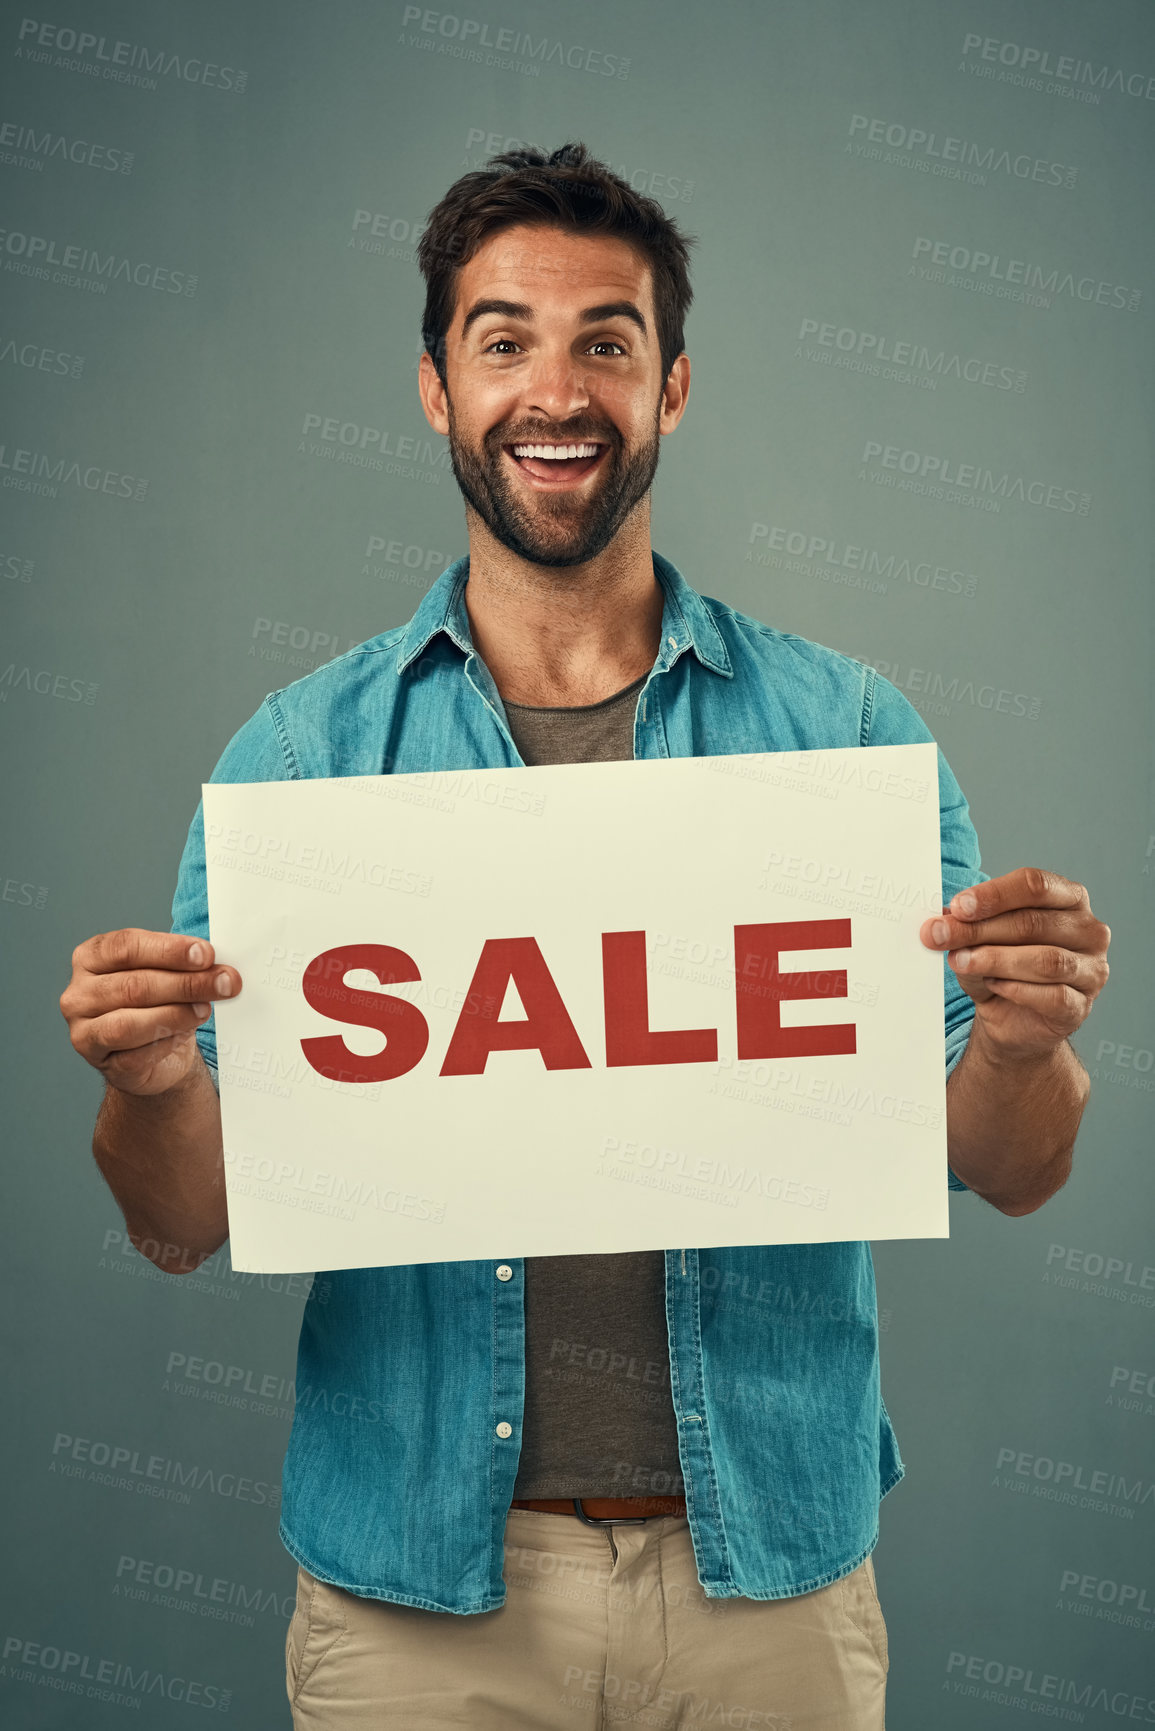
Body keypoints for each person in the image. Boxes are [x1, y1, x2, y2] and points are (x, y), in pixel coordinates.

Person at [60, 143, 1110, 1730]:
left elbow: (1016, 1164)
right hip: (415, 1600)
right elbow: (180, 1217)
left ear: (673, 385)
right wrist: (147, 1083)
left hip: (771, 1578)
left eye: (605, 342)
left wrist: (1026, 1044)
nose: (557, 392)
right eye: (504, 342)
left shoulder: (845, 737)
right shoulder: (299, 762)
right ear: (434, 387)